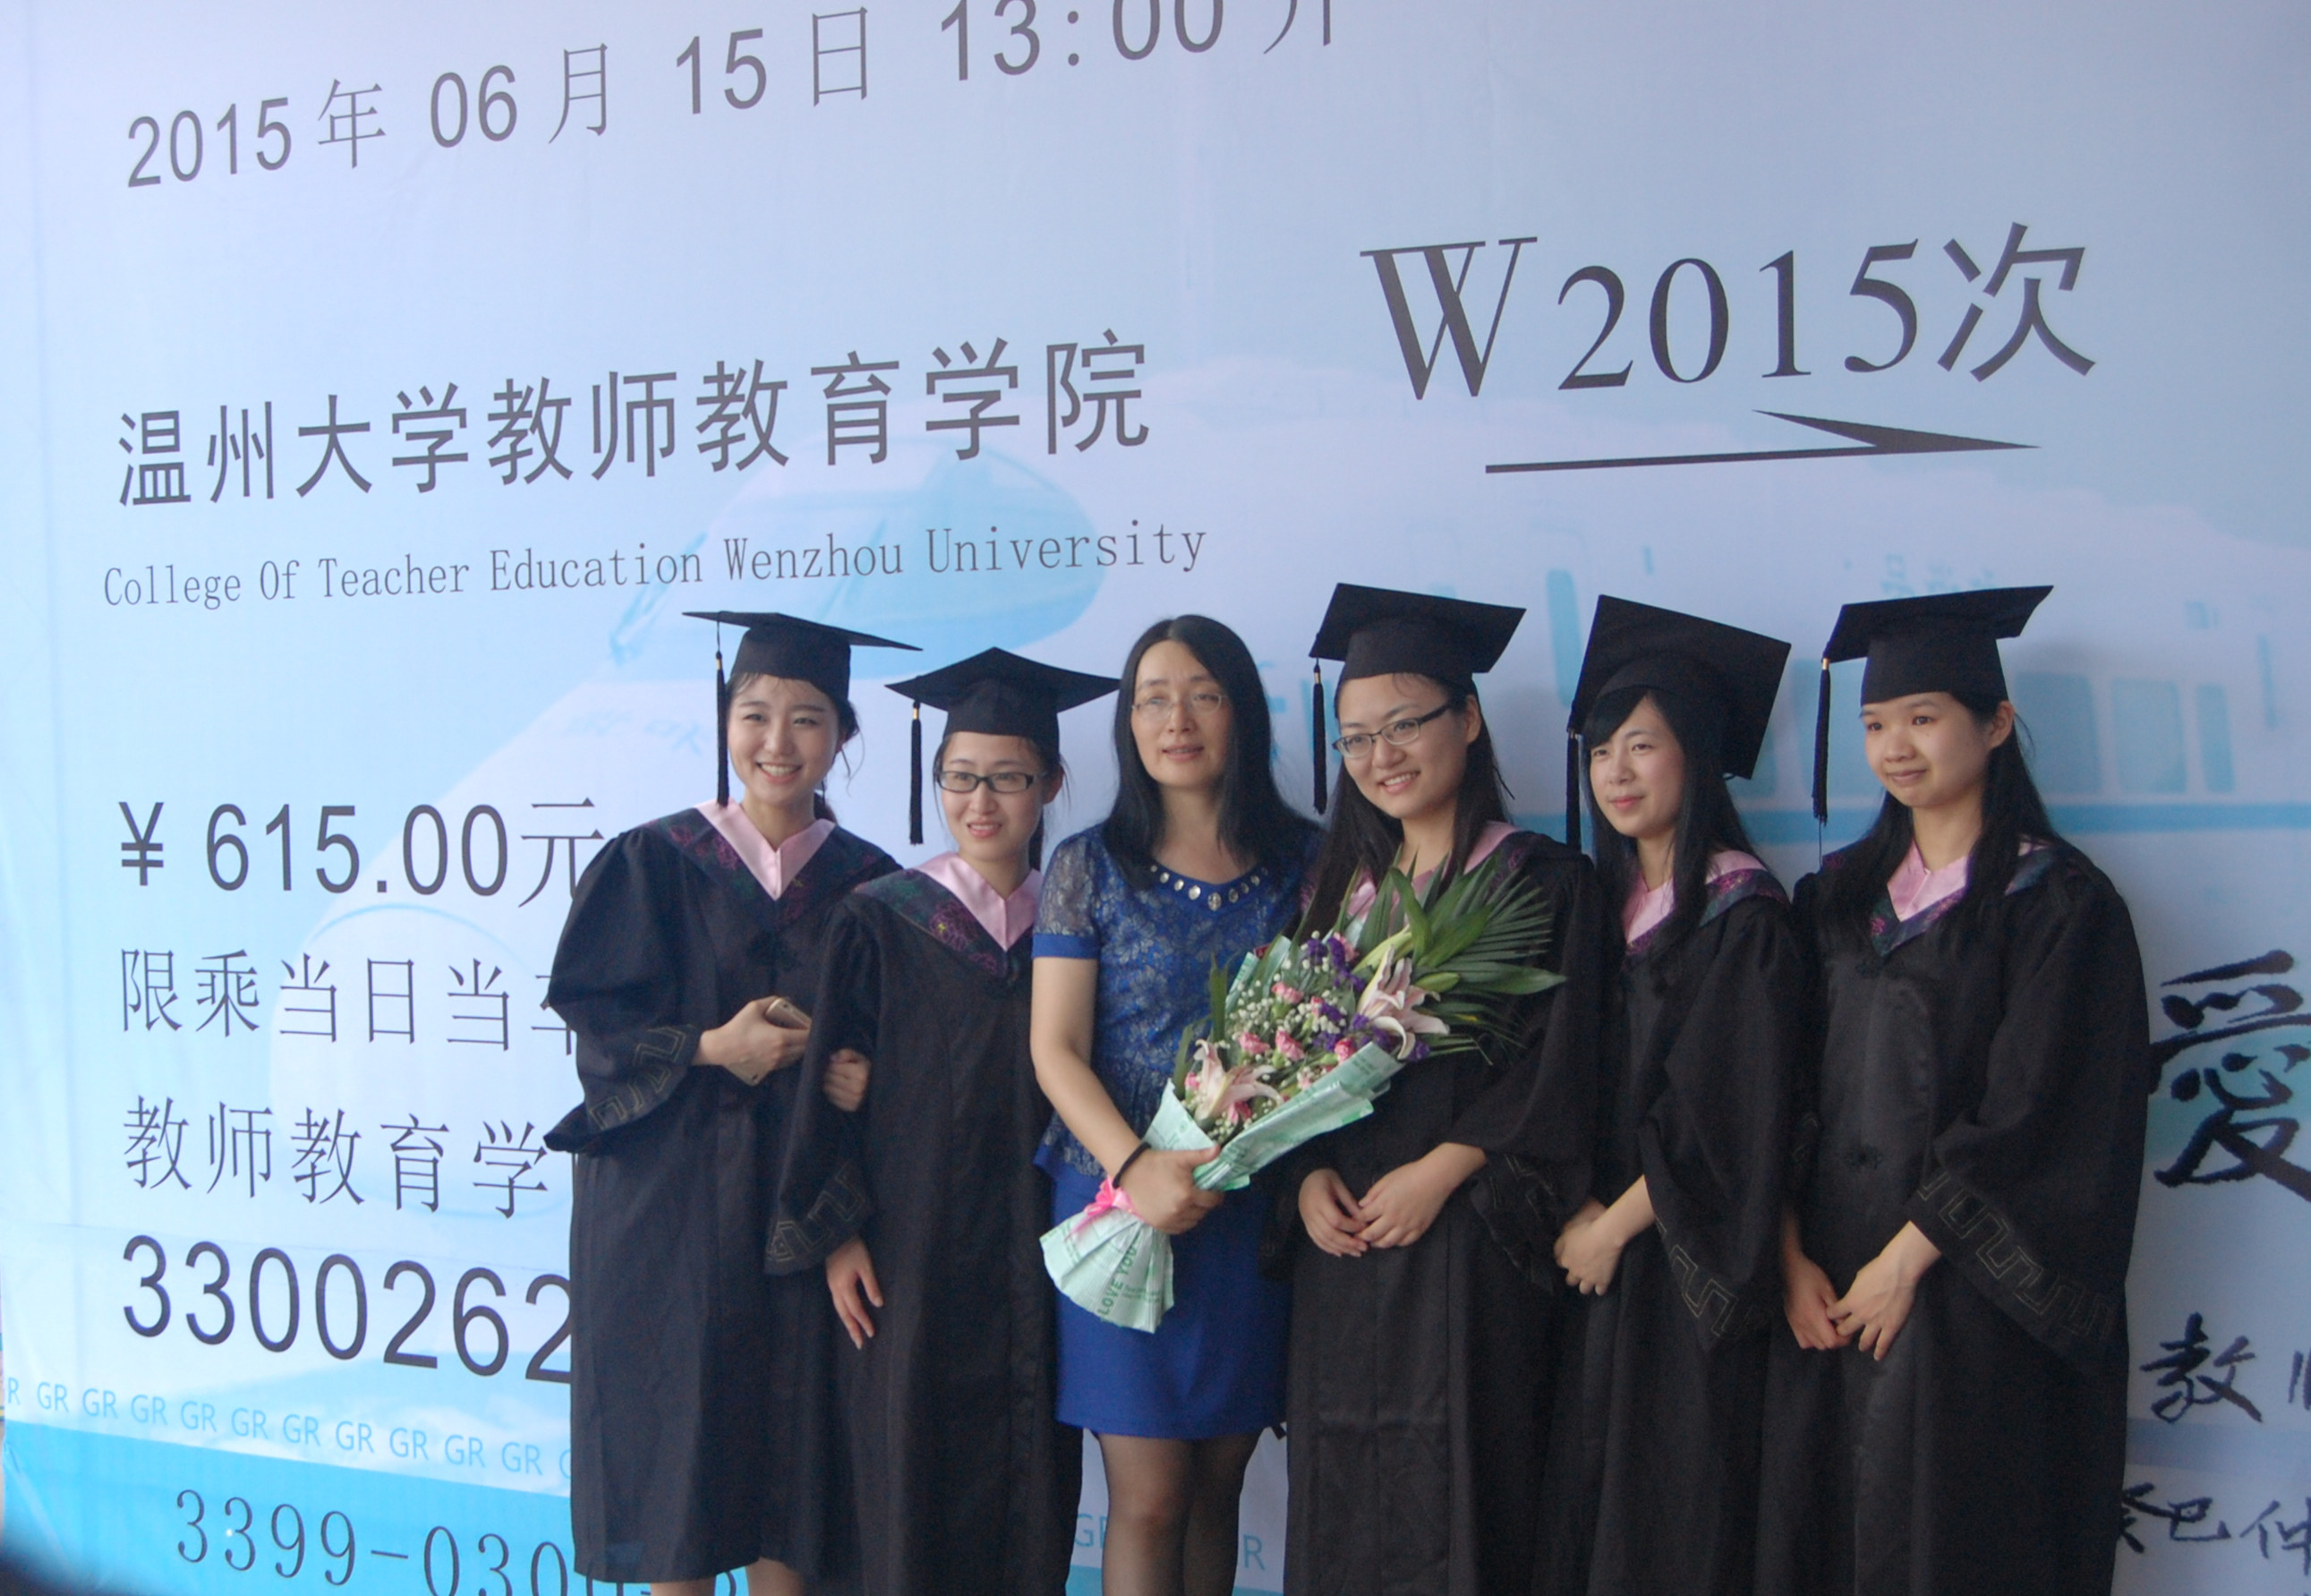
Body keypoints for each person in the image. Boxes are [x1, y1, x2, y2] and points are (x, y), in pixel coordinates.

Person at [1756, 587, 2153, 1596]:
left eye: (1923, 718)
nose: (1895, 748)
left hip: (1969, 1302)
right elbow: (1781, 1089)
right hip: (1828, 1289)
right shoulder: (1832, 901)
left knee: (1951, 1540)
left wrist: (1908, 1259)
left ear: (1996, 723)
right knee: (1824, 1533)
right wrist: (1787, 1251)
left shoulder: (2059, 904)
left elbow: (2043, 1111)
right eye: (1874, 725)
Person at [543, 610, 915, 1596]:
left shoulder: (874, 887)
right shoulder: (652, 861)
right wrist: (713, 1046)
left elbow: (912, 1053)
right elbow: (599, 1033)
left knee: (792, 1476)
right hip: (673, 1219)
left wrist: (868, 1079)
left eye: (807, 718)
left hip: (809, 1215)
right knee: (683, 1482)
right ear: (723, 721)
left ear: (842, 733)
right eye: (754, 714)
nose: (777, 742)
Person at [1272, 584, 1606, 1596]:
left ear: (1467, 717)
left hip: (1472, 1246)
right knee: (1342, 1489)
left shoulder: (1544, 882)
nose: (1381, 755)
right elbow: (1279, 1066)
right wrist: (1304, 1178)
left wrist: (1444, 1170)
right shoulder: (1330, 900)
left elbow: (1564, 1064)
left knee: (1472, 1485)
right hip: (1344, 1249)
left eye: (1404, 724)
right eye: (1356, 737)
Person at [769, 648, 1115, 1596]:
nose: (980, 802)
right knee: (905, 1476)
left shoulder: (1078, 921)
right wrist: (837, 1233)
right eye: (959, 778)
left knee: (1027, 1475)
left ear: (1050, 784)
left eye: (1007, 778)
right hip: (907, 1247)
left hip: (1042, 1245)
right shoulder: (881, 919)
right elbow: (825, 1093)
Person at [1029, 615, 1318, 1596]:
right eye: (1152, 698)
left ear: (1241, 713)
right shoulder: (1088, 865)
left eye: (1201, 694)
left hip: (1246, 1210)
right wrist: (1134, 1168)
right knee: (1149, 1494)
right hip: (1115, 1207)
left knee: (1216, 1484)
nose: (1175, 719)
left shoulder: (1308, 865)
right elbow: (1055, 1048)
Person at [1539, 597, 1804, 1596]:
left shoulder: (1744, 915)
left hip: (1677, 1260)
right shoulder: (1596, 908)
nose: (1615, 771)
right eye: (1602, 750)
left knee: (1669, 1513)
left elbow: (1729, 1111)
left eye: (1642, 746)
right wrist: (1575, 1210)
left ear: (1697, 758)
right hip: (1587, 1253)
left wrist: (1612, 1227)